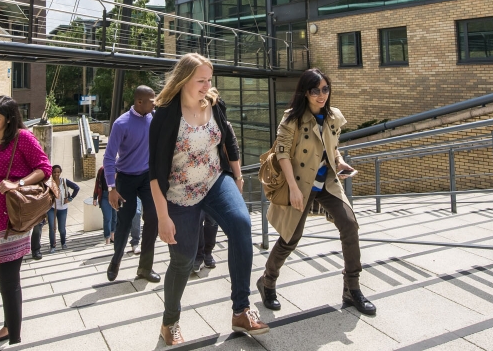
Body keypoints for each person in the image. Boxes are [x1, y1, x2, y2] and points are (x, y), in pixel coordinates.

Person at [149, 54, 268, 345]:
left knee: (241, 224)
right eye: (201, 80)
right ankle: (170, 322)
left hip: (216, 180)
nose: (207, 86)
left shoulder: (214, 103)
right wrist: (163, 218)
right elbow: (154, 172)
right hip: (179, 194)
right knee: (184, 261)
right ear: (184, 80)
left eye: (209, 80)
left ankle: (241, 310)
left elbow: (228, 139)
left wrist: (237, 176)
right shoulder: (164, 114)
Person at [256, 68, 375, 316]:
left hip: (326, 182)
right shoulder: (292, 119)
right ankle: (267, 282)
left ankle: (352, 288)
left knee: (349, 224)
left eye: (325, 89)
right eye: (315, 90)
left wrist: (339, 162)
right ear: (305, 92)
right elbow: (283, 153)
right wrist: (293, 189)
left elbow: (332, 147)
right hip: (299, 183)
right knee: (290, 239)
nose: (321, 95)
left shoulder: (333, 116)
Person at [0, 96, 52, 346]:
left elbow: (45, 169)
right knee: (3, 275)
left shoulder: (23, 137)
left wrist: (17, 183)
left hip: (14, 216)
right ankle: (9, 328)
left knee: (8, 277)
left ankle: (13, 334)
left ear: (8, 119)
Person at [104, 86, 161, 283]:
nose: (154, 103)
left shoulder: (153, 117)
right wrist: (112, 188)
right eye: (151, 100)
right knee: (125, 223)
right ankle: (116, 260)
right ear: (139, 102)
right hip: (126, 178)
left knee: (153, 217)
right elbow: (109, 158)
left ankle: (145, 268)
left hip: (146, 177)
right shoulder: (121, 124)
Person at [47, 165, 79, 252]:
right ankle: (52, 246)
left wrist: (70, 198)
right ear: (51, 173)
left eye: (58, 172)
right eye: (54, 172)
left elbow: (76, 188)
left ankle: (63, 243)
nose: (56, 174)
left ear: (60, 172)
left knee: (61, 228)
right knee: (52, 227)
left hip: (62, 208)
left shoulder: (64, 181)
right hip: (51, 208)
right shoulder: (48, 182)